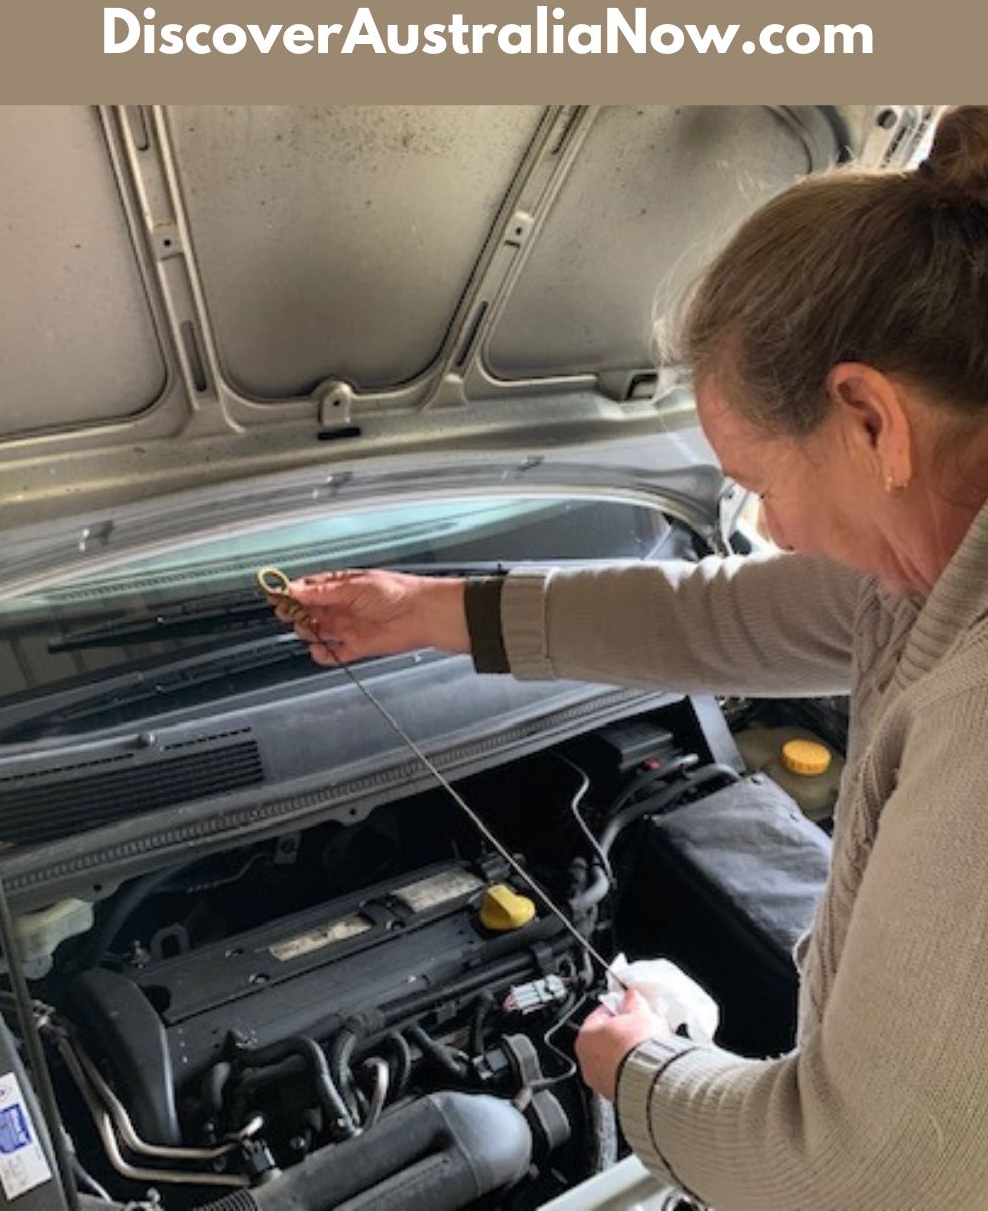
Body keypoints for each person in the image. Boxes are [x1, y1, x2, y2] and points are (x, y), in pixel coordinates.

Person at [272, 105, 988, 1210]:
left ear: (869, 420)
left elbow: (857, 1174)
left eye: (760, 480)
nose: (772, 525)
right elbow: (712, 615)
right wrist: (421, 611)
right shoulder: (931, 555)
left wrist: (635, 1072)